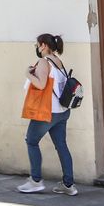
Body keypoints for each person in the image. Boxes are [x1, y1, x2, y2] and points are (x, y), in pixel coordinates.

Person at [17, 33, 76, 196]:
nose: (37, 47)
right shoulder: (58, 61)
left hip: (47, 112)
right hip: (62, 111)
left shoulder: (44, 61)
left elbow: (41, 84)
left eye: (37, 44)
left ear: (43, 45)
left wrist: (28, 74)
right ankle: (68, 185)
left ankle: (35, 181)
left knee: (31, 141)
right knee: (61, 145)